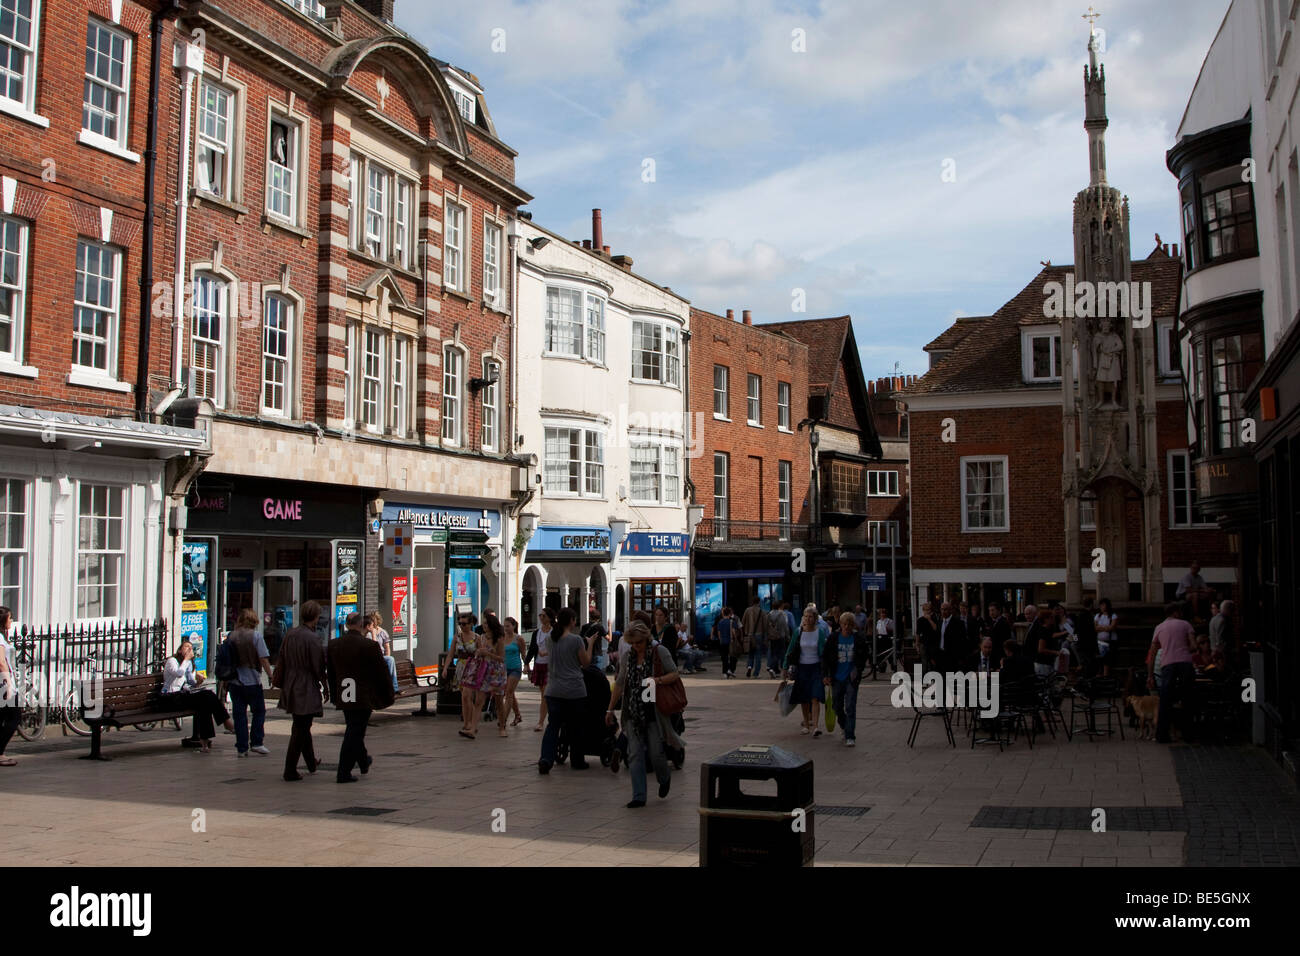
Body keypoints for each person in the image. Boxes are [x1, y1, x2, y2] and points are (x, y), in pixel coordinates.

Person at [607, 620, 684, 808]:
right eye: (632, 643)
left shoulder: (659, 653)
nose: (635, 647)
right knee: (634, 754)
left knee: (656, 753)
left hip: (653, 709)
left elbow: (674, 673)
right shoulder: (628, 657)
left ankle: (664, 777)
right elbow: (620, 683)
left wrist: (657, 680)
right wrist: (610, 709)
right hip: (633, 710)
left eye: (639, 643)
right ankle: (639, 796)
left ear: (646, 639)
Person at [327, 611, 395, 782]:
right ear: (359, 625)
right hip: (363, 693)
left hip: (344, 692)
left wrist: (333, 693)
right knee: (355, 731)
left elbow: (332, 673)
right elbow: (381, 672)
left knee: (353, 728)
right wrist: (387, 693)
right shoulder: (369, 646)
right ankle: (343, 771)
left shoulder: (334, 644)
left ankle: (363, 760)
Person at [538, 607, 594, 774]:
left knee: (553, 726)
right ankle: (577, 759)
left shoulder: (550, 639)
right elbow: (585, 663)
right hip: (574, 689)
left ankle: (546, 758)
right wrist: (590, 645)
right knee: (576, 726)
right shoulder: (576, 640)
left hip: (553, 689)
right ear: (571, 621)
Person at [277, 600, 328, 780]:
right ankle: (290, 769)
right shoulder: (313, 638)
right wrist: (325, 684)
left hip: (291, 682)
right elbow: (318, 666)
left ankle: (311, 762)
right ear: (315, 616)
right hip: (305, 685)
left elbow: (281, 657)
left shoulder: (291, 634)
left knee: (302, 724)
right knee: (301, 727)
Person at [161, 640, 234, 754]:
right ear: (180, 650)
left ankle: (204, 743)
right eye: (186, 647)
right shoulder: (172, 661)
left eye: (191, 647)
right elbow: (179, 673)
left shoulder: (188, 664)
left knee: (205, 700)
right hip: (169, 697)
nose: (190, 649)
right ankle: (226, 722)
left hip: (181, 695)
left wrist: (197, 682)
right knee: (206, 697)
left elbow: (190, 682)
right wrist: (186, 660)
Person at [1147, 603, 1197, 744]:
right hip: (1185, 663)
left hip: (1167, 664)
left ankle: (1162, 735)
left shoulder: (1159, 627)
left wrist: (1150, 675)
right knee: (1187, 698)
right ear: (1176, 612)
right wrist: (1184, 647)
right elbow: (1194, 646)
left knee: (1165, 700)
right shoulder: (1186, 624)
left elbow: (1152, 653)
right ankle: (1188, 734)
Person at [227, 608, 274, 757]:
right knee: (259, 712)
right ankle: (256, 742)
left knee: (239, 715)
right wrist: (270, 675)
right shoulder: (256, 636)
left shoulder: (231, 636)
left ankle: (241, 747)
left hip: (235, 682)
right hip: (252, 681)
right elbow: (263, 658)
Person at [824, 612, 869, 747]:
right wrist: (825, 675)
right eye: (844, 624)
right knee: (836, 705)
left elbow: (864, 654)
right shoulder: (833, 638)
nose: (847, 627)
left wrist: (858, 669)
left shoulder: (858, 638)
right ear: (841, 624)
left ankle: (850, 736)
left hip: (851, 678)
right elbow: (825, 657)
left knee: (850, 706)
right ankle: (843, 725)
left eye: (849, 624)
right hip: (836, 677)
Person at [784, 607, 827, 736]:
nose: (808, 619)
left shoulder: (820, 632)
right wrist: (785, 667)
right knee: (804, 698)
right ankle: (806, 725)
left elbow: (823, 652)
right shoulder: (798, 632)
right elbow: (790, 649)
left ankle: (816, 726)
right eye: (806, 616)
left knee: (815, 697)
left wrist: (827, 670)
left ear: (815, 618)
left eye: (811, 616)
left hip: (816, 668)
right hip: (802, 668)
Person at [465, 615, 508, 739]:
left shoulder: (499, 639)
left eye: (486, 623)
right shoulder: (482, 637)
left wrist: (488, 653)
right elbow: (480, 652)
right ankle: (473, 729)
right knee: (479, 701)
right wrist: (479, 653)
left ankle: (502, 727)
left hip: (497, 672)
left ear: (491, 625)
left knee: (499, 701)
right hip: (484, 671)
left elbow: (501, 658)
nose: (483, 626)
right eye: (483, 623)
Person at [452, 613, 483, 736]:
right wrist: (445, 668)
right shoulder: (457, 637)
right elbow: (451, 653)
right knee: (464, 697)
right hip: (460, 667)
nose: (461, 626)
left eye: (464, 623)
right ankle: (466, 722)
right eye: (460, 623)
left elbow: (481, 654)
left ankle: (470, 723)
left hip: (472, 668)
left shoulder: (477, 637)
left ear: (471, 624)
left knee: (467, 695)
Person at [525, 608, 553, 732]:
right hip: (539, 664)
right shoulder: (537, 633)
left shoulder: (554, 632)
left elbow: (558, 647)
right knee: (544, 694)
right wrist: (526, 663)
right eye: (540, 615)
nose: (541, 618)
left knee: (546, 694)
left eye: (544, 616)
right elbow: (532, 648)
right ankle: (543, 720)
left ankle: (542, 721)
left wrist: (547, 652)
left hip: (551, 665)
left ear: (550, 617)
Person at [0, 607, 21, 766]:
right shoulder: (0, 639)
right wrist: (8, 684)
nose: (12, 621)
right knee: (14, 717)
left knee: (3, 718)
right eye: (10, 618)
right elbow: (1, 662)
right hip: (3, 684)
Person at [365, 611, 398, 693]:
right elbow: (373, 647)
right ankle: (388, 686)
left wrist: (386, 658)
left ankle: (394, 688)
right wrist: (373, 634)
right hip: (370, 657)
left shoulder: (382, 632)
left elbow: (387, 647)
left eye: (374, 621)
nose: (373, 623)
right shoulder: (368, 633)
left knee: (390, 659)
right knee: (389, 660)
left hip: (380, 656)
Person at [503, 617, 526, 727]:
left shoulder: (518, 639)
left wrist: (526, 666)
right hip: (503, 669)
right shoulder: (501, 638)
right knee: (510, 693)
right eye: (504, 626)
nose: (506, 628)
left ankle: (503, 720)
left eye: (508, 626)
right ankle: (517, 715)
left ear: (513, 626)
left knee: (508, 693)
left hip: (515, 668)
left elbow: (523, 653)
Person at [740, 595, 767, 679]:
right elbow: (765, 625)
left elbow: (742, 622)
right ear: (759, 602)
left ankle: (749, 667)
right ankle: (756, 673)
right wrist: (765, 635)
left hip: (749, 634)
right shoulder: (762, 612)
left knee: (750, 653)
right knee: (758, 654)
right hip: (759, 635)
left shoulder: (747, 610)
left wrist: (745, 632)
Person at [1027, 607, 1059, 677]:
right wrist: (1056, 652)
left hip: (1047, 663)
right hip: (1043, 664)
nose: (1053, 619)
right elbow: (1041, 649)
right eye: (1051, 617)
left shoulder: (1047, 630)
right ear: (1046, 619)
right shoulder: (1043, 631)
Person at [765, 600, 791, 678]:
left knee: (773, 653)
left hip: (772, 637)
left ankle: (774, 669)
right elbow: (785, 626)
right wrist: (788, 636)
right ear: (779, 606)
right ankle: (779, 668)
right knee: (781, 653)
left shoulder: (769, 614)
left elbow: (766, 626)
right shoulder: (781, 614)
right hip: (780, 636)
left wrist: (767, 636)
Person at [938, 602, 966, 672]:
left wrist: (960, 657)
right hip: (940, 654)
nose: (943, 612)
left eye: (945, 609)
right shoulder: (939, 622)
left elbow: (962, 641)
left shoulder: (958, 623)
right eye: (942, 609)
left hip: (953, 656)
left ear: (950, 610)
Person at [1094, 597, 1118, 676]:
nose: (1102, 607)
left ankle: (1105, 674)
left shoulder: (1113, 616)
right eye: (1101, 605)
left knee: (1107, 657)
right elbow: (1095, 628)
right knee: (1101, 657)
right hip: (1100, 641)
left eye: (1104, 605)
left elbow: (1112, 627)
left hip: (1110, 641)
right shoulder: (1098, 616)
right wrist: (1106, 627)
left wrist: (1101, 627)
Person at [712, 606, 737, 678]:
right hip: (730, 641)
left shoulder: (720, 622)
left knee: (724, 657)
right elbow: (733, 632)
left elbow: (719, 632)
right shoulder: (731, 622)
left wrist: (721, 639)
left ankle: (725, 672)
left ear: (723, 613)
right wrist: (735, 638)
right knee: (733, 656)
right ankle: (731, 670)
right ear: (729, 613)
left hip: (723, 641)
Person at [916, 602, 941, 672]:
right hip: (923, 643)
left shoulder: (934, 618)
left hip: (932, 643)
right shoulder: (920, 620)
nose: (927, 611)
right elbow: (918, 633)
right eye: (926, 610)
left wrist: (929, 619)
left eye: (929, 610)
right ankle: (925, 676)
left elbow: (936, 628)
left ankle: (933, 675)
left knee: (932, 661)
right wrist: (917, 645)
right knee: (924, 661)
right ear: (923, 610)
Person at [987, 601, 1012, 671]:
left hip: (1000, 655)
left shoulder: (1004, 623)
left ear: (999, 611)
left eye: (993, 610)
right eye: (989, 611)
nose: (991, 613)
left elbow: (1005, 641)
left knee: (997, 678)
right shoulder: (991, 622)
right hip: (992, 655)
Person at [875, 608, 897, 672]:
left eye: (884, 613)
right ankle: (881, 666)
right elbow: (877, 630)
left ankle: (892, 665)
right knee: (881, 652)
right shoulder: (878, 621)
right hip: (880, 637)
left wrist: (888, 628)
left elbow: (893, 629)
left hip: (887, 637)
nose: (883, 614)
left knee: (889, 652)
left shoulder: (889, 621)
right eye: (882, 613)